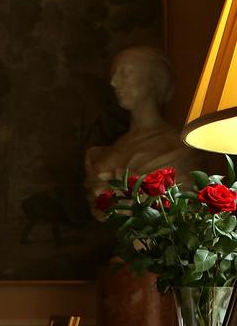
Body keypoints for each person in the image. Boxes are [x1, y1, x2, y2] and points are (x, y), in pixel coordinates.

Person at [84, 46, 209, 211]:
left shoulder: (177, 148)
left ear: (154, 80)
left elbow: (183, 208)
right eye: (114, 74)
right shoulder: (111, 149)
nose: (113, 82)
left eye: (125, 73)